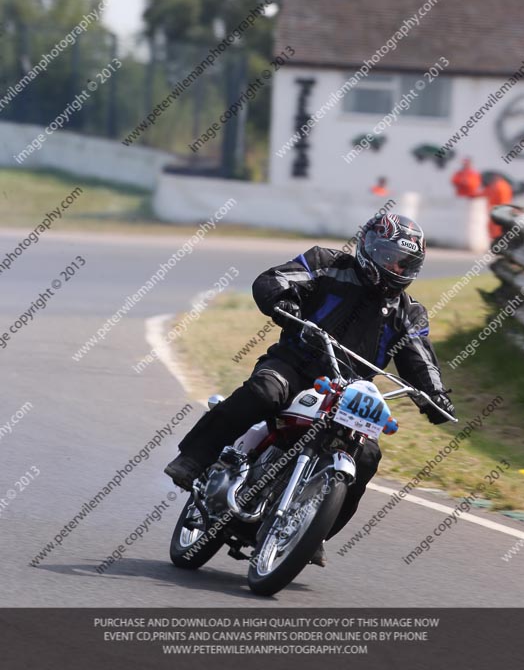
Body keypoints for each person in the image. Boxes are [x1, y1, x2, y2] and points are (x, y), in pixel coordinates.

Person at [165, 213, 455, 566]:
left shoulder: (410, 313)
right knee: (265, 392)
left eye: (404, 262)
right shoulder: (327, 263)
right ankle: (194, 459)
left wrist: (435, 395)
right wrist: (283, 299)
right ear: (367, 248)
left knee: (367, 456)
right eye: (388, 256)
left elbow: (420, 357)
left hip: (349, 391)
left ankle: (313, 531)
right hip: (295, 364)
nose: (395, 267)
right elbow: (275, 278)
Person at [482, 174, 513, 240]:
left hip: (499, 210)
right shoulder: (503, 185)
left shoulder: (499, 186)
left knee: (496, 227)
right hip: (501, 210)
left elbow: (502, 200)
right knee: (495, 227)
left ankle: (496, 240)